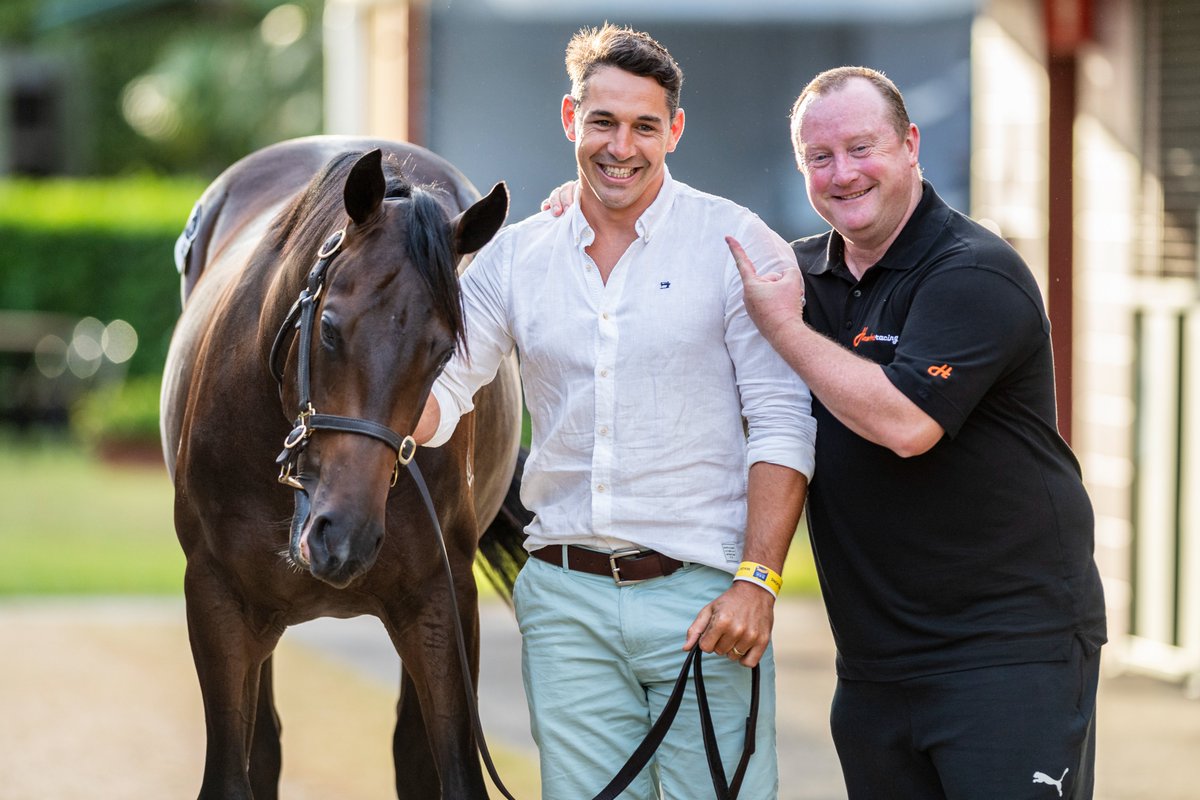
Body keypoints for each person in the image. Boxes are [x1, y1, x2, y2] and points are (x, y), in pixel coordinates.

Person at [414, 24, 815, 800]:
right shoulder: (515, 258)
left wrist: (758, 582)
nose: (621, 147)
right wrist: (361, 408)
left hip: (706, 601)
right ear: (571, 118)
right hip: (565, 605)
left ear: (675, 131)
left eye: (644, 126)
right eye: (602, 122)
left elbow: (781, 422)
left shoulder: (735, 244)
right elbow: (446, 392)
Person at [724, 68, 1108, 799]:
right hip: (875, 666)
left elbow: (906, 423)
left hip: (1008, 654)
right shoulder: (799, 278)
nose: (842, 173)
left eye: (861, 147)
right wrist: (582, 212)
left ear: (909, 146)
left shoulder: (975, 270)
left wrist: (783, 328)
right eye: (819, 157)